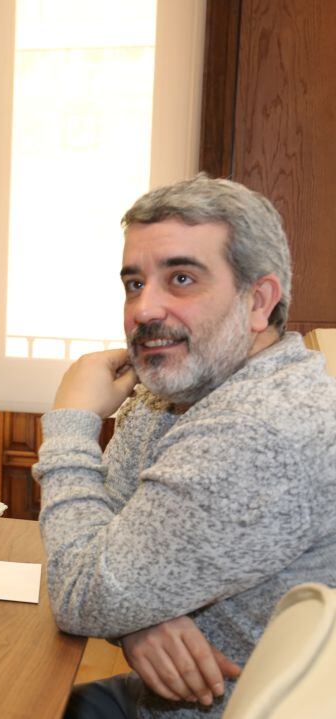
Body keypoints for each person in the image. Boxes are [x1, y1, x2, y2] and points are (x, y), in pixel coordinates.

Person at [33, 174, 336, 718]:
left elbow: (79, 588)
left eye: (181, 278)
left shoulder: (259, 428)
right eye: (133, 283)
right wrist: (132, 616)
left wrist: (72, 421)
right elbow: (103, 552)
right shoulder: (182, 387)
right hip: (151, 699)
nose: (144, 310)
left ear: (258, 302)